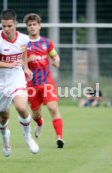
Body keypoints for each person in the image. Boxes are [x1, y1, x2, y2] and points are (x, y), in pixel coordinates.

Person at [0, 9, 39, 157]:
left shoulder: (24, 38)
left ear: (16, 24)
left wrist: (26, 67)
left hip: (16, 78)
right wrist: (8, 65)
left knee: (21, 107)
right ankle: (5, 138)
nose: (6, 29)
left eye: (9, 26)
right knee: (3, 117)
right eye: (3, 26)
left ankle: (27, 137)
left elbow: (23, 52)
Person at [23, 13, 64, 148]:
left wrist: (56, 61)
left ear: (39, 26)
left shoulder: (46, 43)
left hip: (46, 83)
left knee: (53, 107)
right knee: (35, 114)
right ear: (27, 27)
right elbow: (17, 63)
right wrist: (28, 60)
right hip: (31, 85)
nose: (32, 27)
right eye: (29, 25)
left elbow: (54, 56)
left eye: (34, 24)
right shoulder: (23, 44)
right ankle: (40, 123)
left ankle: (59, 138)